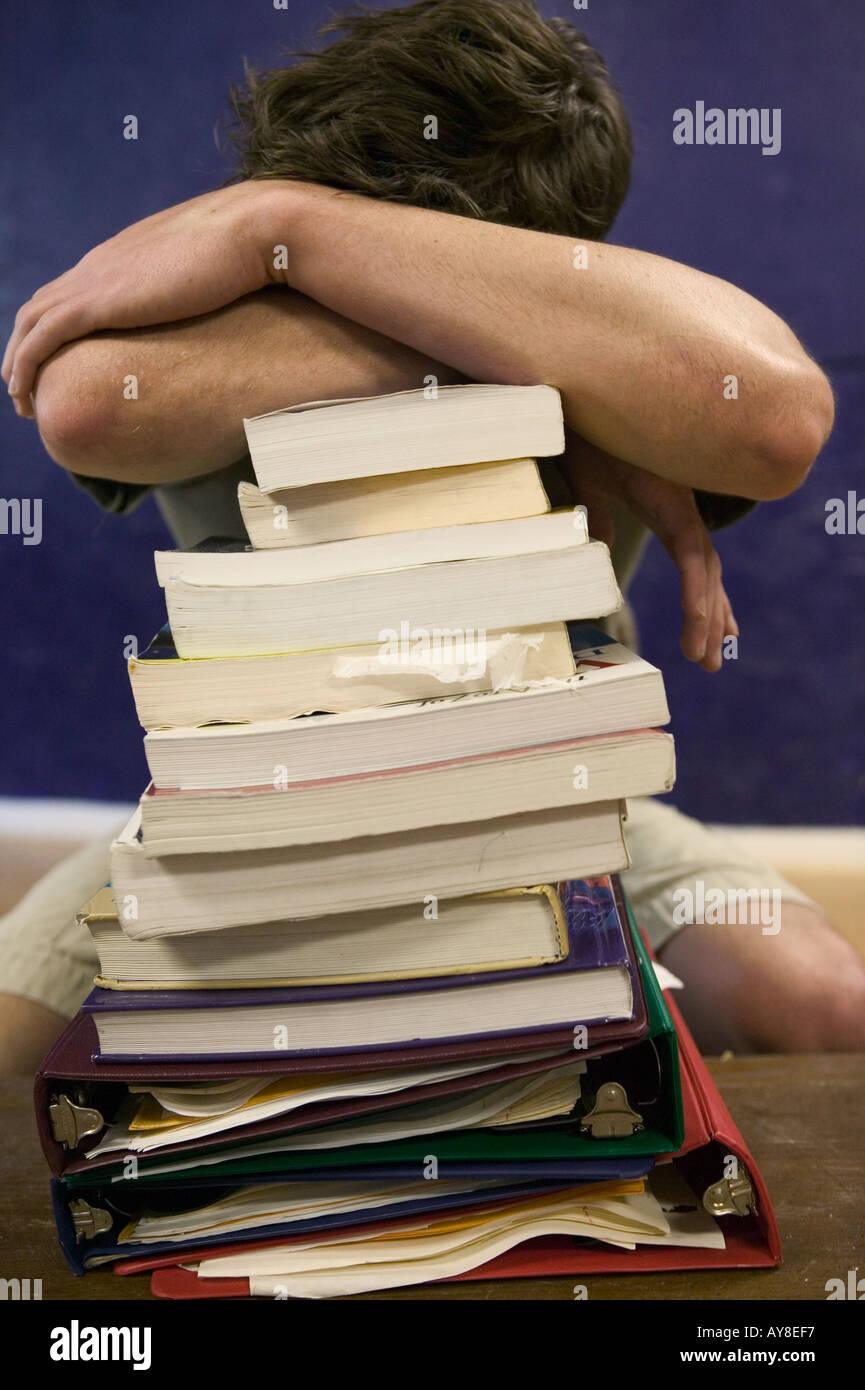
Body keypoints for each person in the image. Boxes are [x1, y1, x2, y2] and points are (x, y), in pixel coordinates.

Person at [2, 0, 863, 1073]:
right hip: (243, 822)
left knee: (825, 1004)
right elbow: (87, 405)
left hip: (561, 810)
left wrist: (288, 232)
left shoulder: (597, 313)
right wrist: (475, 324)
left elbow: (775, 421)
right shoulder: (586, 339)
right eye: (323, 221)